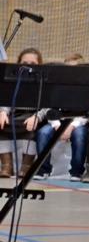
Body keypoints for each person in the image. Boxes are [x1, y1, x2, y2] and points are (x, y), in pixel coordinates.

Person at [33, 52, 89, 180]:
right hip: (57, 122)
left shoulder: (86, 89)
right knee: (43, 133)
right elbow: (51, 108)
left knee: (80, 135)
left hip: (77, 123)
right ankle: (43, 169)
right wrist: (57, 126)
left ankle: (76, 171)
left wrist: (71, 127)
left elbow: (87, 113)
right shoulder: (57, 87)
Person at [0, 48, 51, 178]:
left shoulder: (44, 83)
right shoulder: (12, 81)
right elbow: (6, 100)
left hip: (34, 116)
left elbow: (48, 106)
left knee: (31, 128)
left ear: (39, 65)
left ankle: (26, 166)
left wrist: (37, 117)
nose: (28, 66)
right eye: (24, 63)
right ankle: (6, 166)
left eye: (33, 63)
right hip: (15, 115)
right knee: (1, 124)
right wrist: (3, 112)